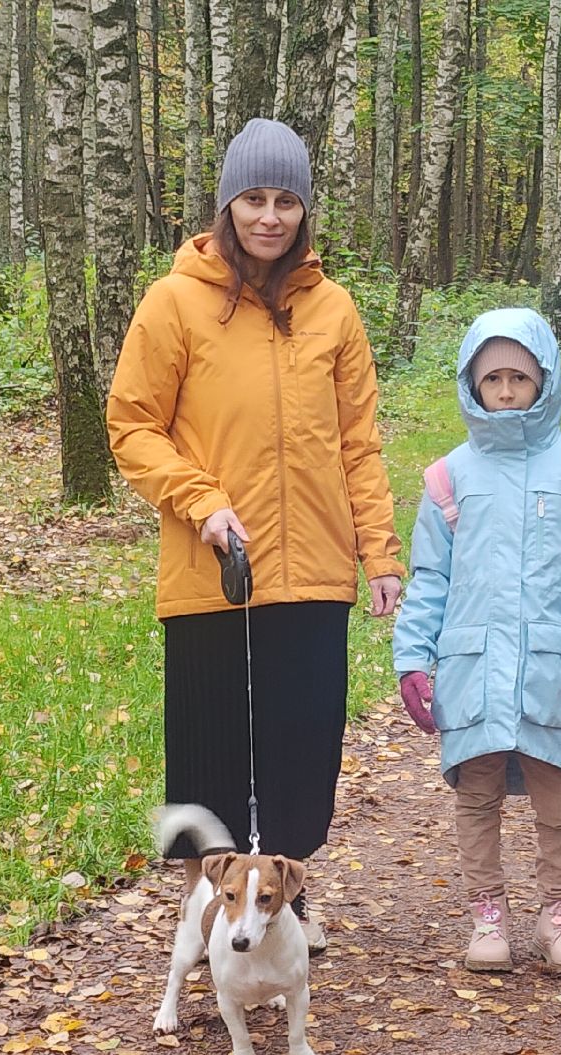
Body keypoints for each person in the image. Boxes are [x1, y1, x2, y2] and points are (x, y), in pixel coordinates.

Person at [107, 118, 404, 951]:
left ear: (304, 212)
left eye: (286, 201)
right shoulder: (175, 302)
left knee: (301, 752)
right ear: (227, 205)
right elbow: (131, 425)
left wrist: (378, 551)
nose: (269, 217)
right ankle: (204, 908)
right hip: (214, 568)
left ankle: (281, 900)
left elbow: (359, 444)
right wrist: (201, 502)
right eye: (253, 200)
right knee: (203, 751)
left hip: (312, 569)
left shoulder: (335, 312)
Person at [392, 309, 561, 978]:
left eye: (518, 377)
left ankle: (559, 918)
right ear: (471, 381)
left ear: (543, 379)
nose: (504, 391)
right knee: (477, 796)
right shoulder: (450, 475)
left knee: (559, 800)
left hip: (553, 672)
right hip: (473, 670)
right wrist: (413, 658)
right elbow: (430, 578)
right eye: (491, 377)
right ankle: (486, 915)